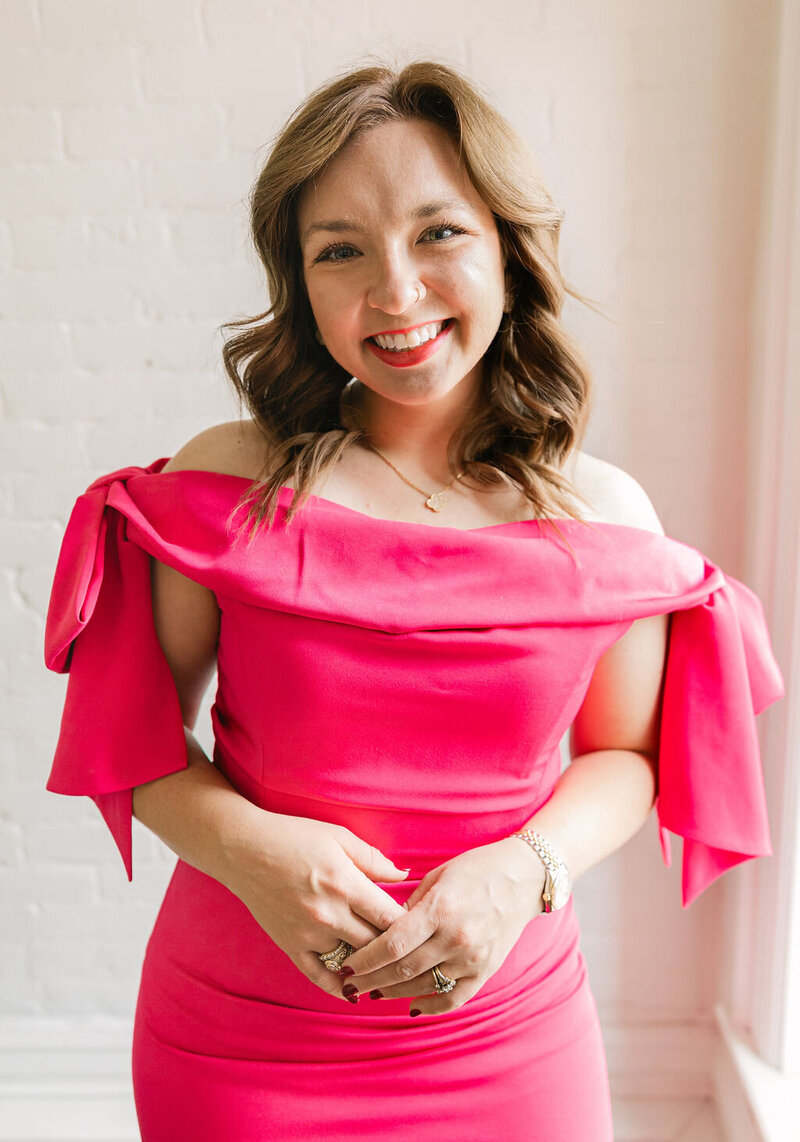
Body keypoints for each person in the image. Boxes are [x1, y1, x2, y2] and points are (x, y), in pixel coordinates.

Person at [44, 59, 783, 1141]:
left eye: (438, 233)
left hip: (506, 1030)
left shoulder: (606, 513)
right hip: (242, 1033)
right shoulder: (227, 482)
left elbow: (623, 756)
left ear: (505, 247)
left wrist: (520, 868)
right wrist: (253, 848)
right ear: (300, 283)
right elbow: (137, 739)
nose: (393, 292)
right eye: (339, 250)